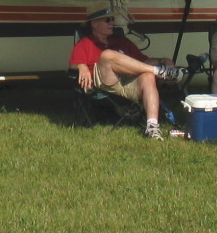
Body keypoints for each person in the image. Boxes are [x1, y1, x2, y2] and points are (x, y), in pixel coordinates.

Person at [69, 8, 186, 139]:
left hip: (126, 83)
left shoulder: (122, 41)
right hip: (102, 83)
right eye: (107, 20)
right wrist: (81, 65)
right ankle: (159, 72)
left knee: (148, 76)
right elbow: (73, 65)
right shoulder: (85, 43)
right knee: (108, 55)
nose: (112, 23)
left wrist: (162, 60)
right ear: (94, 24)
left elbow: (144, 61)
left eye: (113, 20)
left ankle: (152, 127)